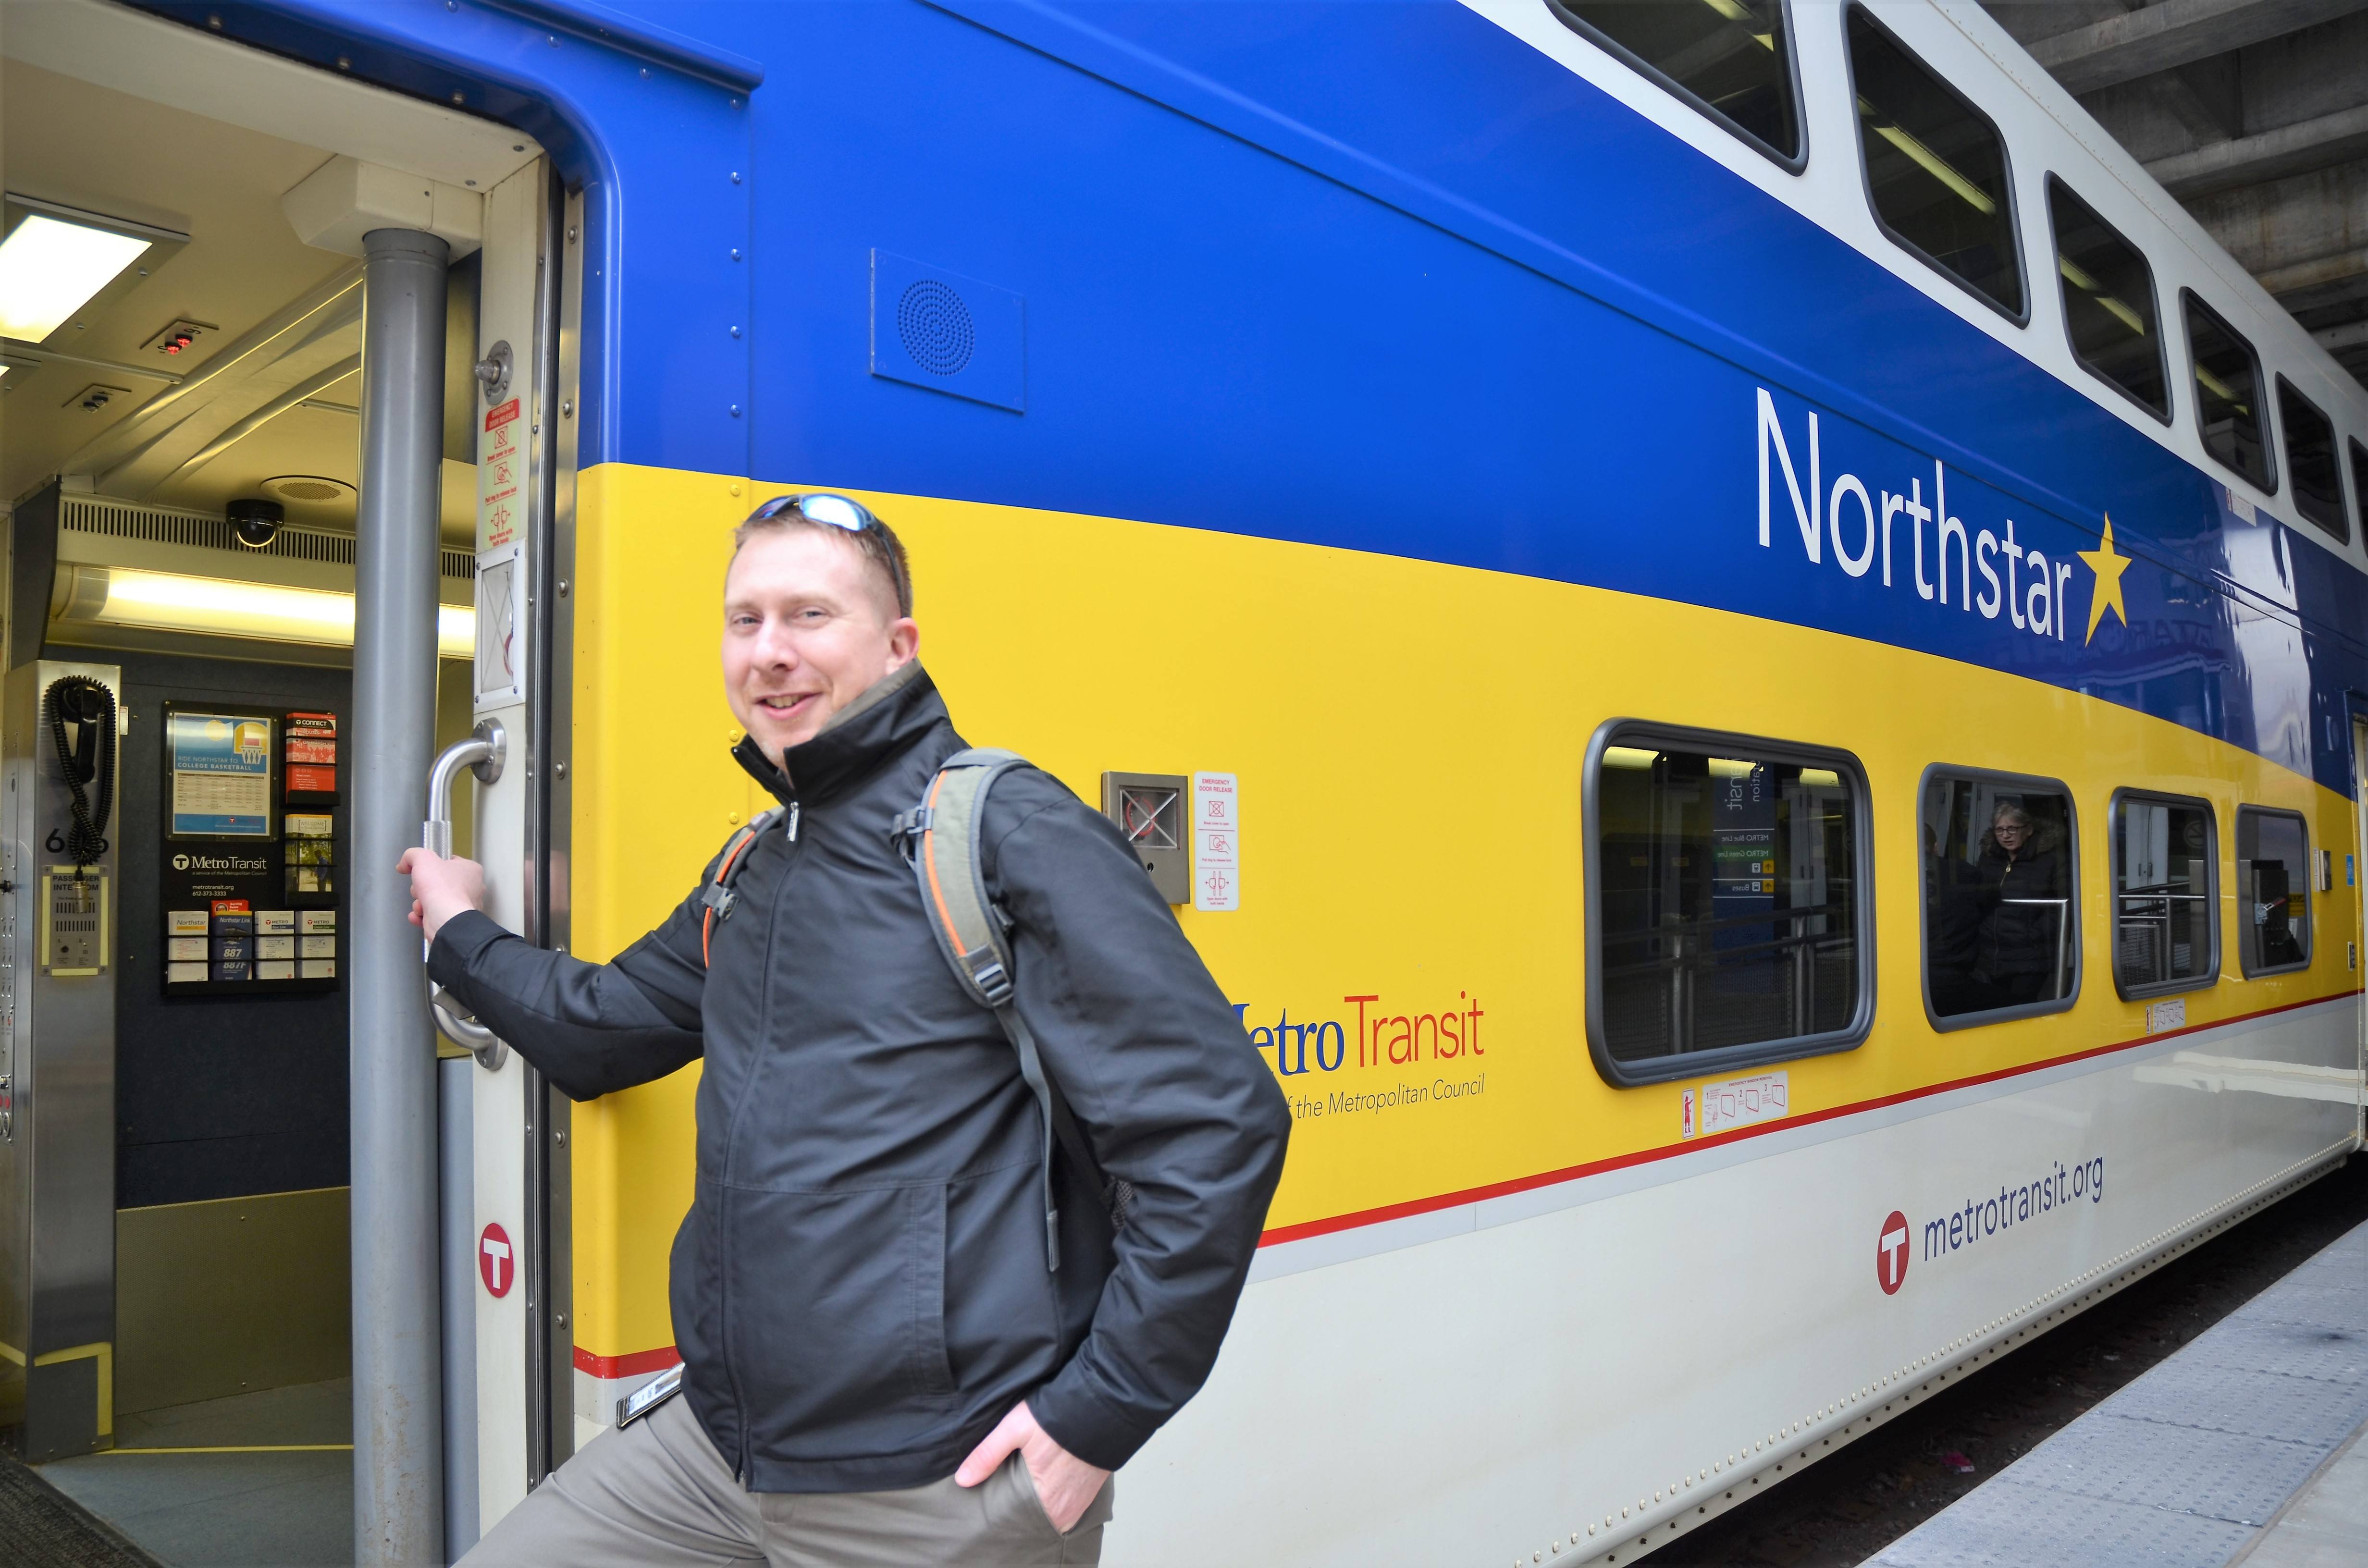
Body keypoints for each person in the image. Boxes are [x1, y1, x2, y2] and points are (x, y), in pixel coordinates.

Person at [401, 493, 1291, 1566]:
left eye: (809, 616)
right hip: (716, 1454)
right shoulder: (753, 869)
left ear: (897, 644)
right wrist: (458, 927)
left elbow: (1215, 1127)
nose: (769, 653)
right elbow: (606, 1030)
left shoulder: (1003, 830)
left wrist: (1095, 1418)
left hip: (934, 1482)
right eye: (745, 621)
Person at [1971, 803, 2067, 1007]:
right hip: (1991, 954)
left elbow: (2062, 904)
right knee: (1995, 1010)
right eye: (2000, 830)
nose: (2006, 835)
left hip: (2030, 955)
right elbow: (1978, 897)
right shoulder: (1989, 858)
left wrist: (2033, 934)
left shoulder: (2050, 860)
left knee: (2021, 1009)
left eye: (2012, 829)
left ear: (2029, 830)